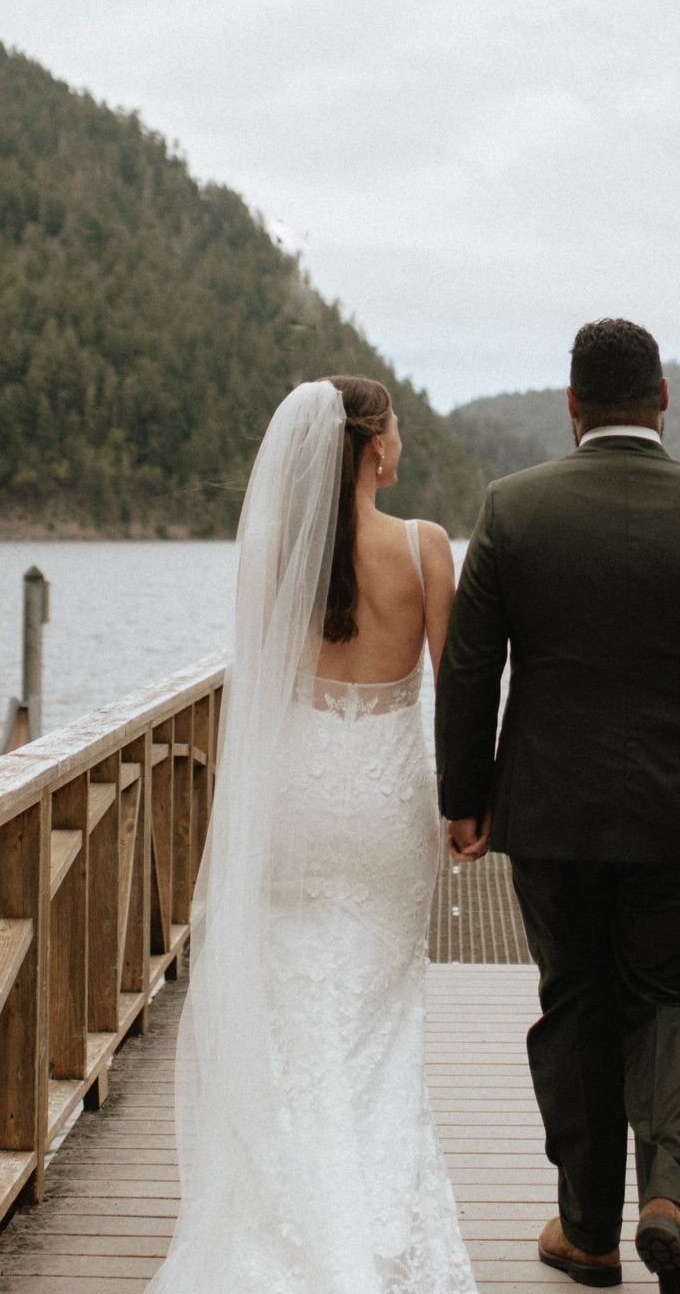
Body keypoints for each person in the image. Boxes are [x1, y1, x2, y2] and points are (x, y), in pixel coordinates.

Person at [435, 319, 680, 1294]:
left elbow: (470, 671)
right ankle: (671, 1196)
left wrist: (463, 798)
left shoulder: (513, 512)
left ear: (572, 404)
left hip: (550, 813)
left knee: (578, 1001)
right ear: (664, 396)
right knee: (673, 998)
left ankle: (589, 1232)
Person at [148, 375, 476, 1294]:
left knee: (297, 1002)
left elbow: (253, 692)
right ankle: (368, 1223)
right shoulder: (424, 548)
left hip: (296, 794)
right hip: (381, 805)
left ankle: (284, 1208)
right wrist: (469, 804)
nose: (402, 436)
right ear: (374, 447)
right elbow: (458, 693)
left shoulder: (270, 552)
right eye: (397, 424)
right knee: (377, 1006)